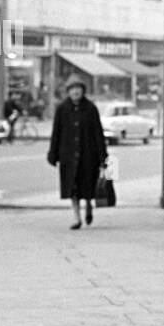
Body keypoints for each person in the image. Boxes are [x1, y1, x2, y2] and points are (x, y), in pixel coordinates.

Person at [47, 76, 108, 230]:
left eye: (78, 88)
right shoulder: (62, 109)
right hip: (68, 155)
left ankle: (88, 205)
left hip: (88, 155)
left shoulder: (91, 108)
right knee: (72, 187)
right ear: (68, 91)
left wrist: (103, 158)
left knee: (86, 185)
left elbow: (98, 134)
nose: (75, 91)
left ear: (82, 90)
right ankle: (76, 217)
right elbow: (56, 133)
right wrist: (53, 154)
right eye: (72, 89)